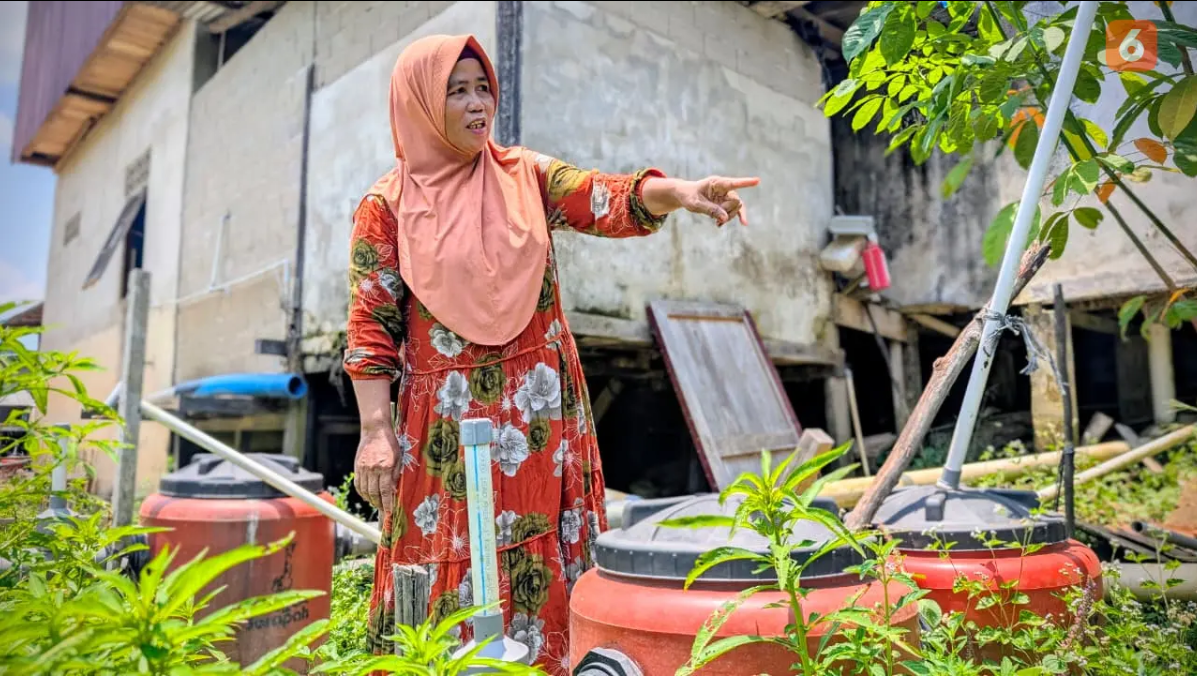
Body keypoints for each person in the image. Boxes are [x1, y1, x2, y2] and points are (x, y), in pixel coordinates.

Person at [343, 33, 759, 674]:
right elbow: (371, 329)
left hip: (540, 415)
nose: (477, 102)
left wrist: (679, 192)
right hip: (445, 430)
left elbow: (603, 197)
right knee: (451, 559)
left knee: (546, 553)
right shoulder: (386, 209)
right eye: (457, 91)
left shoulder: (523, 177)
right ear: (420, 104)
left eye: (483, 87)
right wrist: (375, 432)